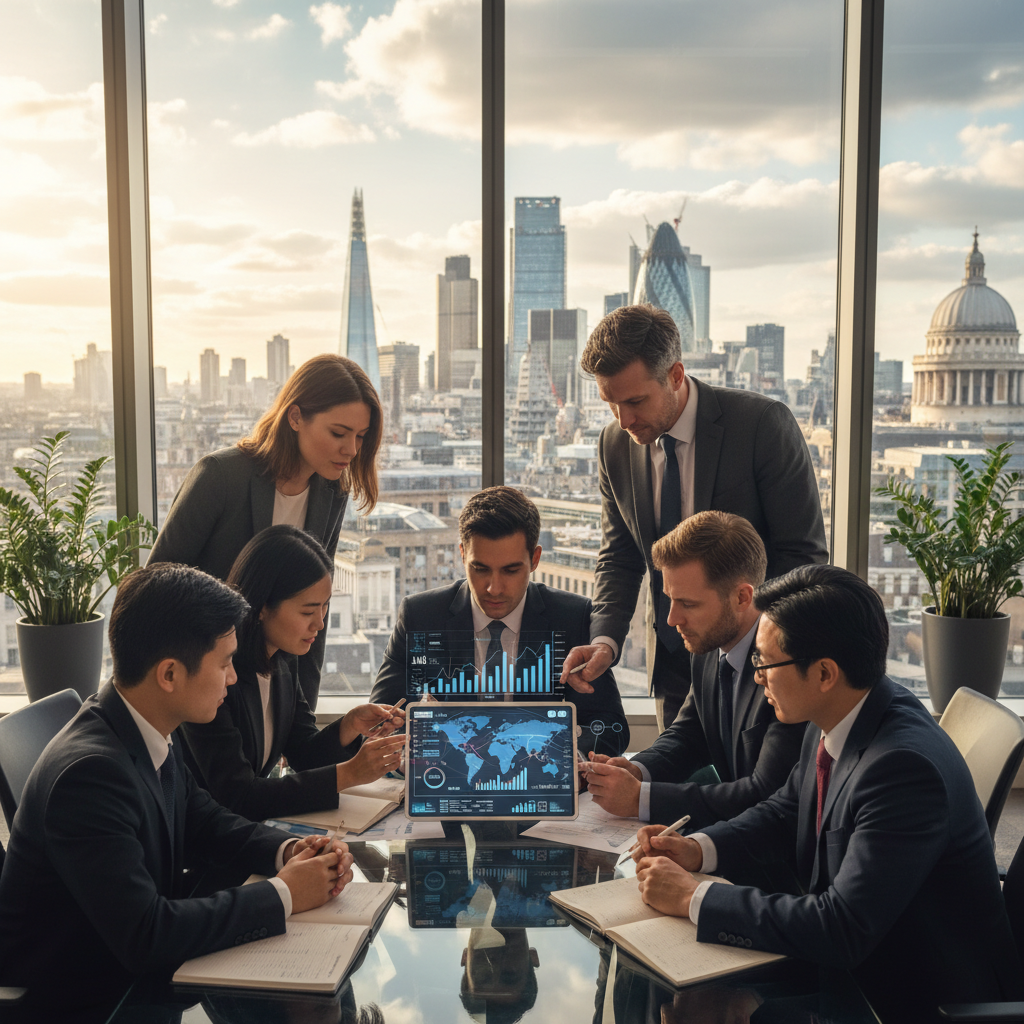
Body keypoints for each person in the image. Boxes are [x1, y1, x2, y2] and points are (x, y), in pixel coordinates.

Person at [632, 563, 1023, 1022]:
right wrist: (698, 849)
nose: (756, 677)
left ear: (824, 673)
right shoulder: (846, 708)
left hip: (906, 997)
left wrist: (693, 898)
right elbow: (786, 809)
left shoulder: (902, 769)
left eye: (764, 662)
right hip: (855, 963)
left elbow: (841, 928)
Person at [0, 564, 355, 1005]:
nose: (232, 677)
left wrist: (287, 850)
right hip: (79, 994)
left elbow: (203, 819)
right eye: (224, 662)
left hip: (126, 964)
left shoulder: (142, 725)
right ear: (169, 674)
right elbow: (146, 935)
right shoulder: (89, 775)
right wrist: (284, 894)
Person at [561, 304, 828, 731]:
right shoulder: (613, 444)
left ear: (676, 375)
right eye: (610, 404)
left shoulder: (760, 425)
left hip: (760, 662)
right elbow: (621, 555)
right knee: (676, 782)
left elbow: (804, 554)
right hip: (672, 660)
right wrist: (605, 641)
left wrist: (755, 644)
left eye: (635, 401)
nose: (624, 420)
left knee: (754, 791)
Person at [149, 353, 382, 710]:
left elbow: (316, 603)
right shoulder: (220, 476)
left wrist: (301, 713)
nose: (351, 450)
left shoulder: (332, 494)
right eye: (338, 433)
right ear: (295, 417)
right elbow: (156, 584)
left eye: (361, 437)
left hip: (271, 685)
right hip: (201, 679)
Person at [584, 511, 804, 834]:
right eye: (670, 600)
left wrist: (641, 799)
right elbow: (689, 733)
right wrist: (637, 771)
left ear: (743, 597)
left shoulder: (787, 669)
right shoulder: (709, 643)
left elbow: (764, 793)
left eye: (688, 604)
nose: (672, 619)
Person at [371, 486, 629, 756]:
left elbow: (611, 729)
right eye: (480, 569)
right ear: (462, 555)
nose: (494, 588)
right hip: (450, 780)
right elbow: (380, 722)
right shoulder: (420, 616)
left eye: (511, 570)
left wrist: (560, 761)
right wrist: (413, 756)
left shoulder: (572, 617)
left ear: (535, 559)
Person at [180, 525, 407, 823]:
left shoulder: (284, 660)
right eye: (307, 612)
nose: (320, 624)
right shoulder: (218, 675)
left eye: (325, 608)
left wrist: (349, 725)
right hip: (205, 840)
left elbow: (303, 753)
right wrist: (350, 773)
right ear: (261, 607)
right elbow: (237, 796)